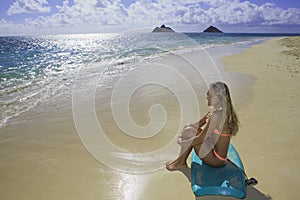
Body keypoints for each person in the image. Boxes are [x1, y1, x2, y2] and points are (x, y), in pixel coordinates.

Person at [166, 82, 239, 170]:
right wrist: (185, 131)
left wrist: (182, 142)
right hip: (211, 148)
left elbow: (201, 138)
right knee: (188, 128)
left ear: (220, 98)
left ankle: (180, 163)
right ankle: (180, 162)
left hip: (216, 159)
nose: (207, 97)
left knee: (190, 132)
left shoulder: (218, 115)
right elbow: (198, 124)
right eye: (207, 94)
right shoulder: (215, 109)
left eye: (211, 96)